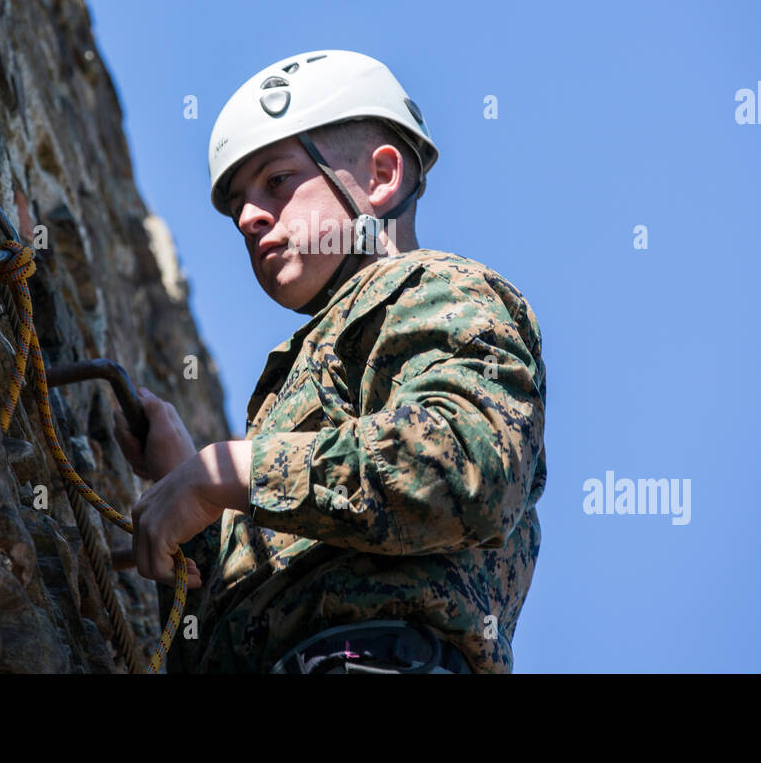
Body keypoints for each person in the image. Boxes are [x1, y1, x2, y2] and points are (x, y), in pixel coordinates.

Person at [115, 49, 547, 673]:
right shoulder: (310, 357)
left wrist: (224, 472)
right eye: (239, 202)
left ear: (380, 176)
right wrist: (190, 501)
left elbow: (469, 469)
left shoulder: (440, 291)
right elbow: (243, 624)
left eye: (279, 180)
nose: (249, 216)